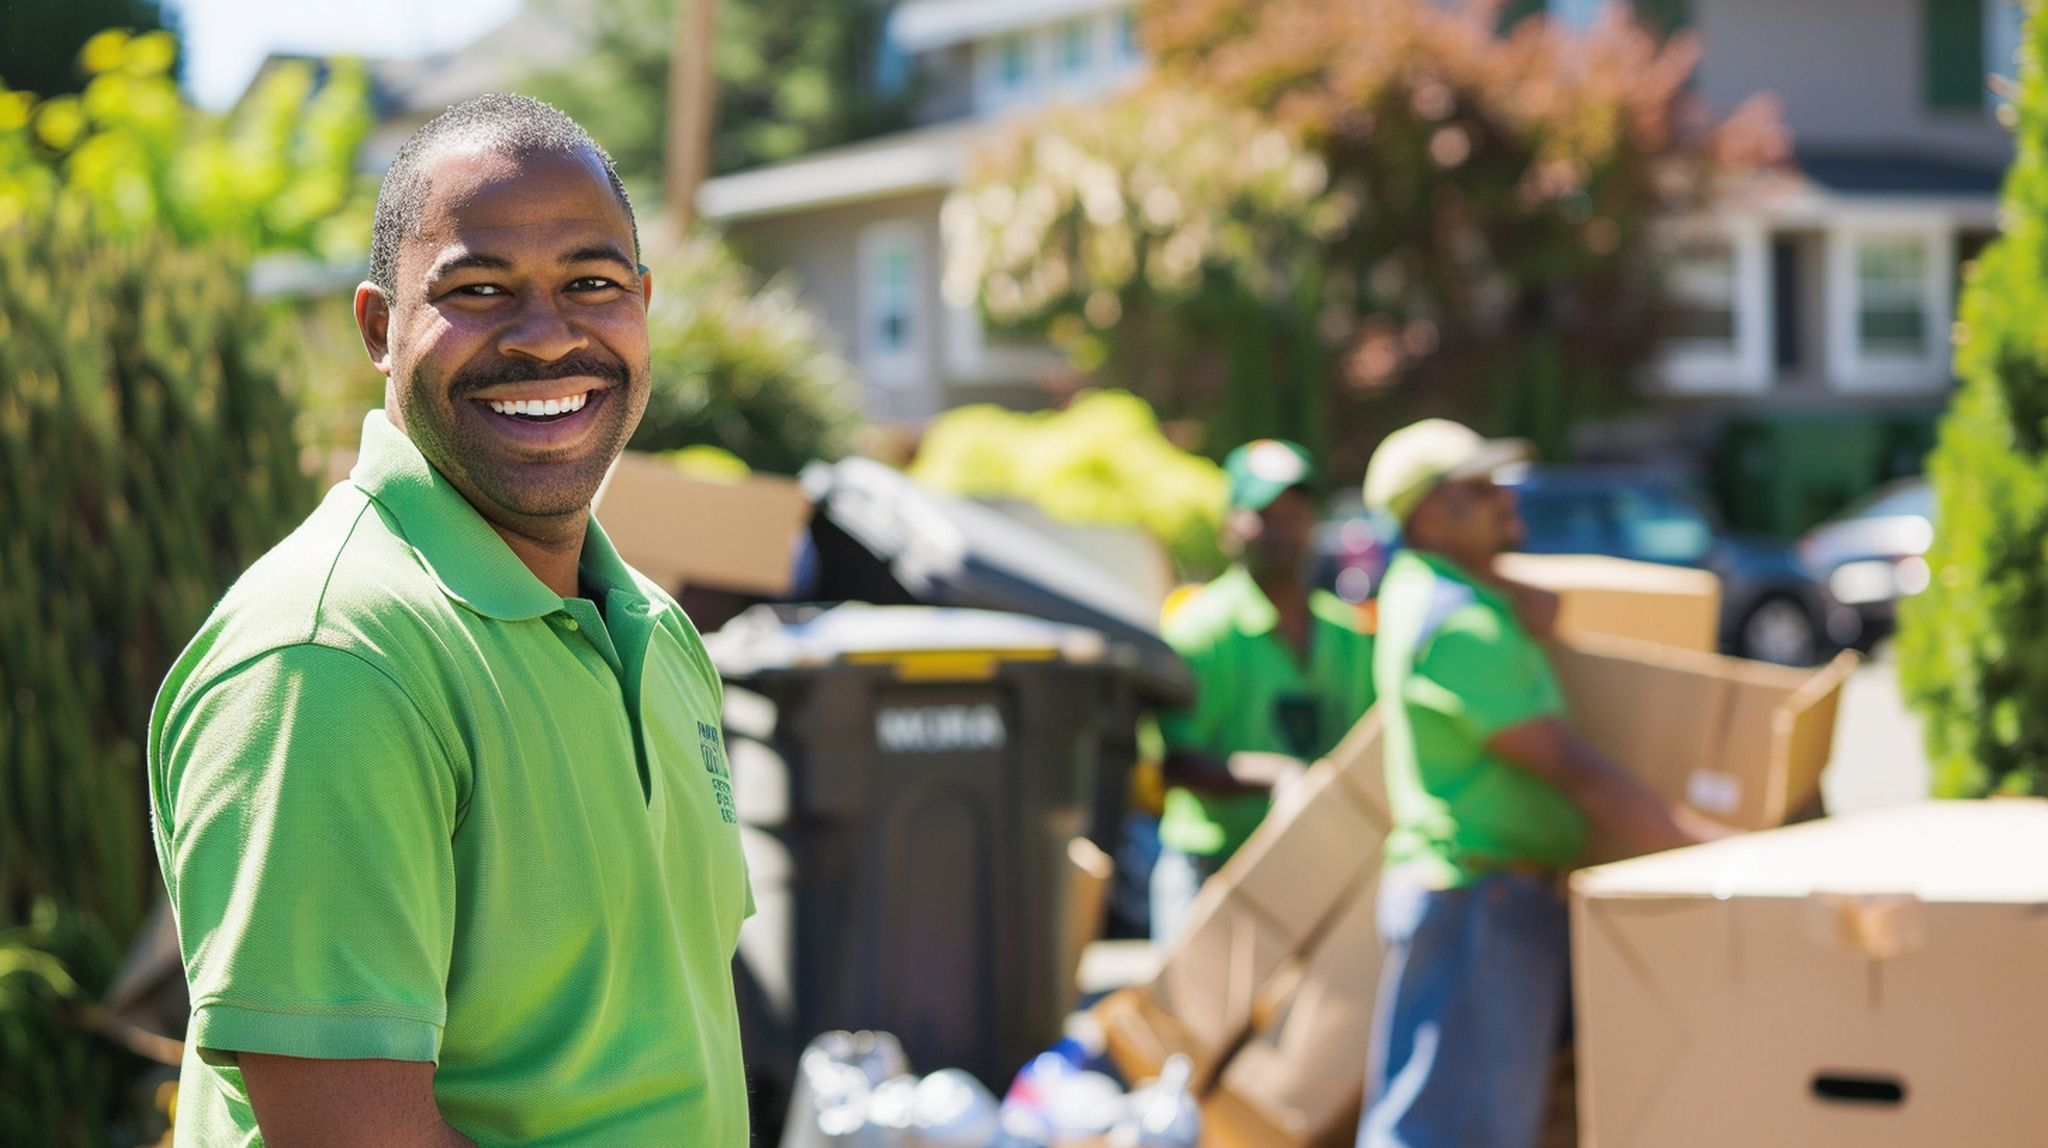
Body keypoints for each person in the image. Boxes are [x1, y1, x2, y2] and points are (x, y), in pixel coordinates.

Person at [146, 95, 751, 1146]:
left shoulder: (650, 629)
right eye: (478, 289)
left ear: (643, 305)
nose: (546, 334)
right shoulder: (331, 659)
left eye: (591, 284)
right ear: (381, 329)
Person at [1355, 419, 1725, 1148]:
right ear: (1429, 514)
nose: (1505, 500)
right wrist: (1707, 854)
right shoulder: (1462, 626)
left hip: (1480, 899)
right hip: (1482, 902)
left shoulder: (1432, 591)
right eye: (1480, 489)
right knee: (1450, 1134)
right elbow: (1570, 768)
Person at [1151, 439, 1377, 947]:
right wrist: (1279, 777)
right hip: (1216, 867)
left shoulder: (1346, 633)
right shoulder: (1200, 629)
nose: (1283, 530)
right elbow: (1176, 763)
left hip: (1318, 869)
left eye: (1295, 513)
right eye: (1265, 514)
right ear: (1231, 524)